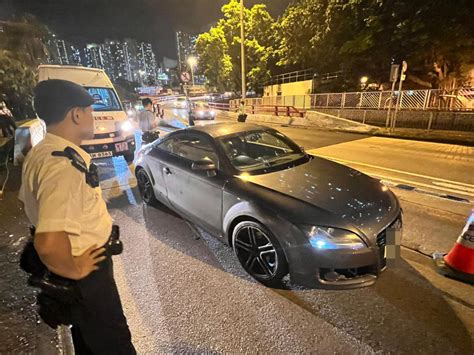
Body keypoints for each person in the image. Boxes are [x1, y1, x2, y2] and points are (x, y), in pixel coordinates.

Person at [19, 79, 135, 354]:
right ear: (76, 114)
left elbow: (30, 207)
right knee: (112, 343)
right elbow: (48, 241)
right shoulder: (63, 167)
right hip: (87, 276)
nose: (92, 118)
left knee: (88, 342)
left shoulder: (42, 153)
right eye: (90, 112)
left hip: (77, 274)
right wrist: (76, 269)